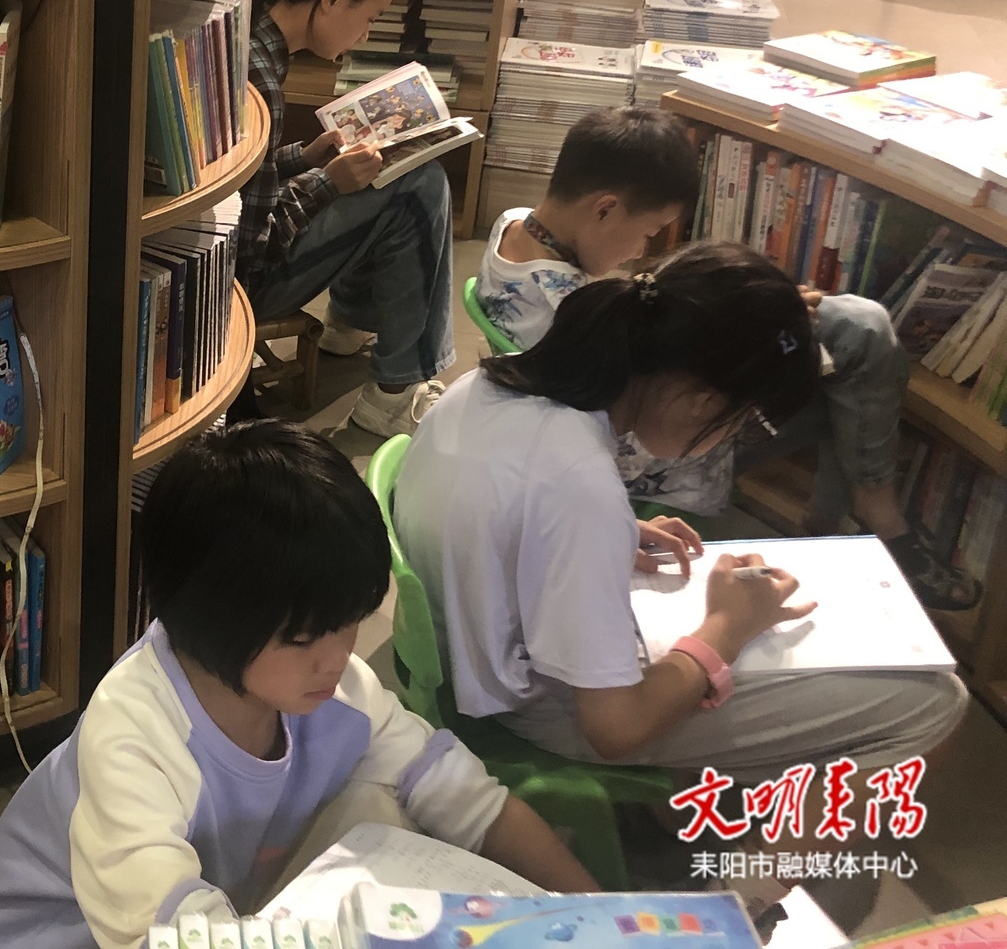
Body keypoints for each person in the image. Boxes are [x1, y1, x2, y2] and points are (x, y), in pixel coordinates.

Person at [0, 420, 595, 949]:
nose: (337, 658)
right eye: (302, 637)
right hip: (65, 935)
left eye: (349, 622)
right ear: (210, 613)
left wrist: (601, 920)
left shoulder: (333, 691)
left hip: (210, 911)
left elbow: (471, 802)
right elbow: (169, 936)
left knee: (388, 807)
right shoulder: (133, 740)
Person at [397, 241, 967, 785]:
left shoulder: (493, 380)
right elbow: (616, 728)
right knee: (935, 704)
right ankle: (759, 862)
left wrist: (611, 535)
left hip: (473, 653)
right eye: (741, 421)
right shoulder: (578, 483)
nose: (731, 436)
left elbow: (504, 506)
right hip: (541, 706)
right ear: (704, 402)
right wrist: (728, 627)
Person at [474, 104, 976, 610]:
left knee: (848, 359)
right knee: (858, 346)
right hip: (656, 450)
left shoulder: (516, 227)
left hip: (646, 406)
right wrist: (759, 327)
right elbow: (645, 415)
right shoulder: (565, 311)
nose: (641, 249)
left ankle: (847, 522)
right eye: (649, 231)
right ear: (604, 210)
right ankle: (875, 518)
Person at [240, 0, 455, 437]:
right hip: (243, 287)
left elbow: (246, 179)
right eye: (370, 17)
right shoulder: (258, 77)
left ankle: (351, 321)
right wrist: (329, 182)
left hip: (225, 263)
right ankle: (396, 390)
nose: (367, 34)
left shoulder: (253, 39)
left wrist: (306, 157)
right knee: (420, 186)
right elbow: (252, 244)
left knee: (387, 174)